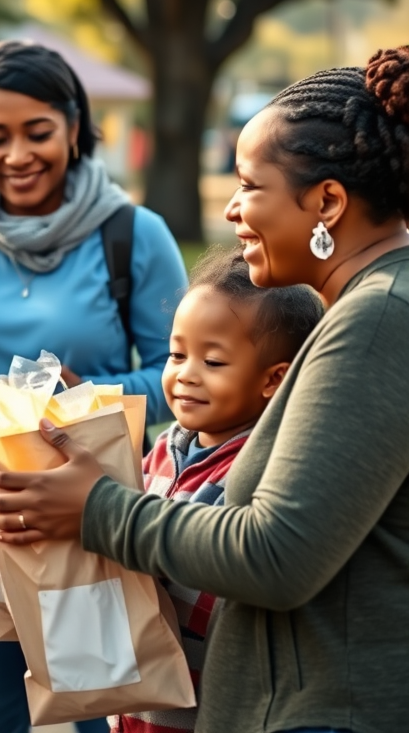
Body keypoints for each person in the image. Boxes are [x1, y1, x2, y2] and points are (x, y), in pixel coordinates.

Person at [0, 46, 409, 733]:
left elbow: (277, 555)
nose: (233, 211)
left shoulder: (379, 318)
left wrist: (98, 509)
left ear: (326, 201)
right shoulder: (369, 308)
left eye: (249, 186)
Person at [0, 39, 188, 733]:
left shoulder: (133, 235)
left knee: (98, 715)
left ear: (74, 129)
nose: (17, 154)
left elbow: (185, 380)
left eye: (38, 132)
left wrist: (89, 397)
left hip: (90, 533)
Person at [111, 246, 322, 733]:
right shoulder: (163, 449)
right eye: (176, 354)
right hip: (138, 709)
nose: (185, 374)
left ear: (275, 379)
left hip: (211, 709)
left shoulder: (263, 468)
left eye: (213, 361)